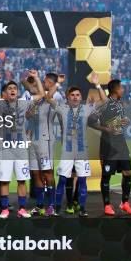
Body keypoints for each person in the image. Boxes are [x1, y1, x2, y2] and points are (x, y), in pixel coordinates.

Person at [49, 74, 106, 217]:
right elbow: (47, 97)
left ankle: (82, 208)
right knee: (62, 179)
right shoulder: (62, 108)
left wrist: (97, 85)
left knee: (82, 180)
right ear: (68, 97)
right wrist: (58, 83)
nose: (75, 97)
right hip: (67, 151)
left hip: (82, 151)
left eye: (77, 95)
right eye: (72, 95)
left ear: (81, 97)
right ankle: (57, 208)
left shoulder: (87, 108)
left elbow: (104, 100)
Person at [0, 72, 43, 219]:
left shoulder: (24, 101)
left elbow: (41, 94)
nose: (12, 90)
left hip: (21, 148)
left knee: (22, 179)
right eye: (9, 88)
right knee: (4, 180)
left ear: (18, 91)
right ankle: (4, 209)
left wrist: (36, 78)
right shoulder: (0, 104)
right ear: (4, 93)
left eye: (14, 88)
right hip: (6, 148)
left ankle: (22, 209)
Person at [90, 79, 131, 216]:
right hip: (108, 146)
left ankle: (125, 203)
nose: (123, 90)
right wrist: (106, 128)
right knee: (107, 176)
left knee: (128, 172)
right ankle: (107, 205)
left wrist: (124, 122)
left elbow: (117, 123)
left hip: (121, 144)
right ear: (116, 90)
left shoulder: (119, 104)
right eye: (121, 88)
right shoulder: (104, 104)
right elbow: (91, 121)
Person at [25, 72, 64, 216]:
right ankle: (40, 205)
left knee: (47, 172)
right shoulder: (35, 96)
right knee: (36, 173)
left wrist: (57, 83)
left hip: (45, 139)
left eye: (45, 81)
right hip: (33, 139)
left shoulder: (55, 95)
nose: (42, 83)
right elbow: (28, 115)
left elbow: (48, 97)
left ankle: (52, 206)